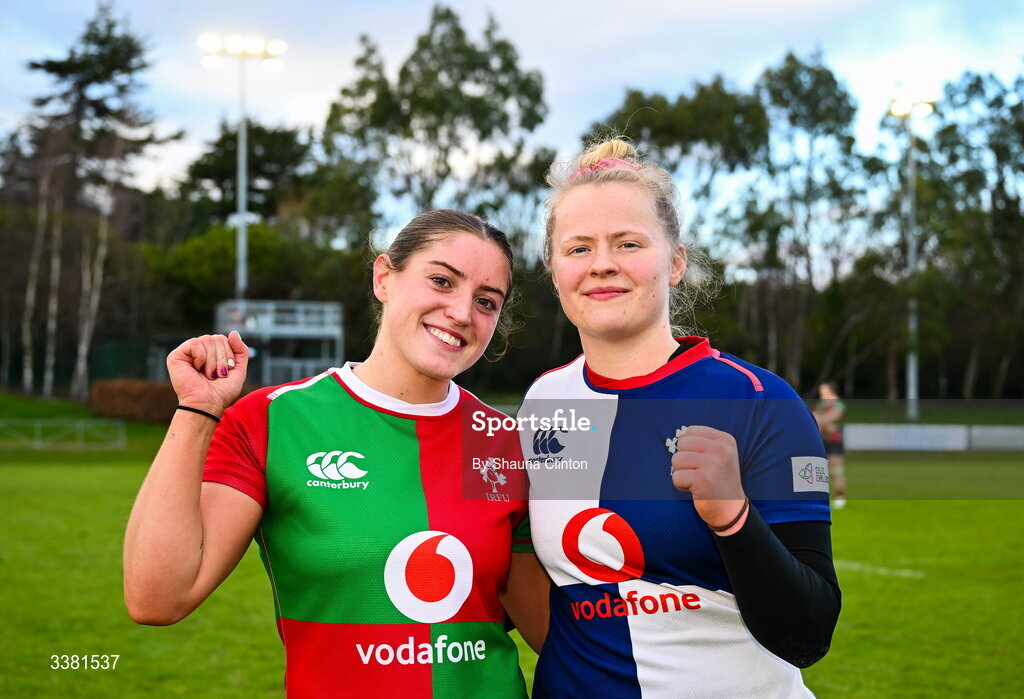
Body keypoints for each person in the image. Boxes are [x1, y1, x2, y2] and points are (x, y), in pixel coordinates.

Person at [124, 210, 548, 698]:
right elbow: (157, 598)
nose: (461, 312)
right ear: (384, 277)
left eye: (486, 302)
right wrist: (197, 411)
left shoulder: (504, 441)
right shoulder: (273, 421)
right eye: (441, 280)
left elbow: (554, 631)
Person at [518, 140, 841, 698]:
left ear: (676, 260)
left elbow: (808, 635)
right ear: (553, 270)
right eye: (578, 248)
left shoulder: (761, 401)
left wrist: (733, 518)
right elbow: (522, 575)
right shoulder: (543, 403)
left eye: (628, 243)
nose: (602, 264)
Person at [814, 381, 847, 509]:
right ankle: (822, 497)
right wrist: (825, 423)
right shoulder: (821, 405)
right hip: (822, 439)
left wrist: (822, 420)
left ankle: (840, 496)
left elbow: (827, 418)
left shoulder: (838, 404)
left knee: (836, 468)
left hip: (834, 440)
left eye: (824, 390)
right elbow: (814, 418)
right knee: (820, 470)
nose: (821, 393)